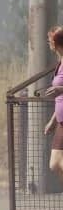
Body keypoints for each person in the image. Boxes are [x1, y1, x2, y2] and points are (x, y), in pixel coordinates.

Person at [41, 27, 63, 185]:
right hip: (61, 121)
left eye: (50, 40)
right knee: (55, 164)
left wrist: (61, 89)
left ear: (56, 43)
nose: (48, 43)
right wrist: (52, 121)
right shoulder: (60, 63)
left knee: (57, 163)